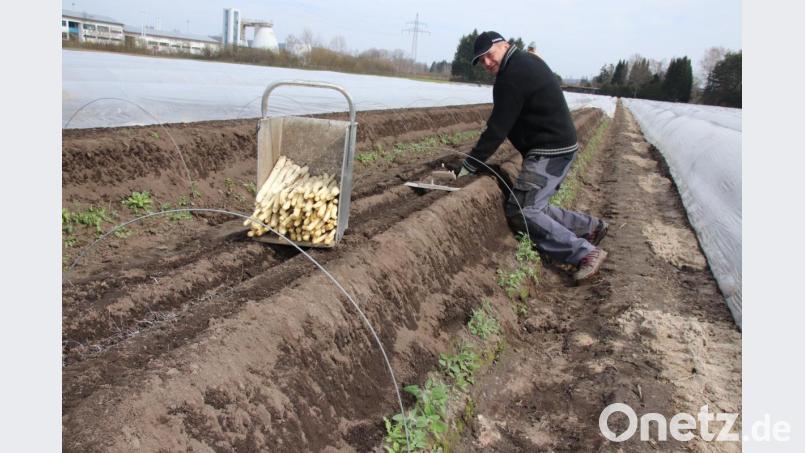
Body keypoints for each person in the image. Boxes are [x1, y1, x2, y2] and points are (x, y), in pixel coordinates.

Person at [455, 31, 608, 282]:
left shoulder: (512, 76)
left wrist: (469, 165)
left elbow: (497, 129)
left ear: (503, 46)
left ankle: (585, 253)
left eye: (489, 56)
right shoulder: (524, 62)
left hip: (550, 150)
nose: (487, 63)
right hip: (557, 145)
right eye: (481, 61)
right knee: (536, 206)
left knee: (523, 210)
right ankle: (590, 228)